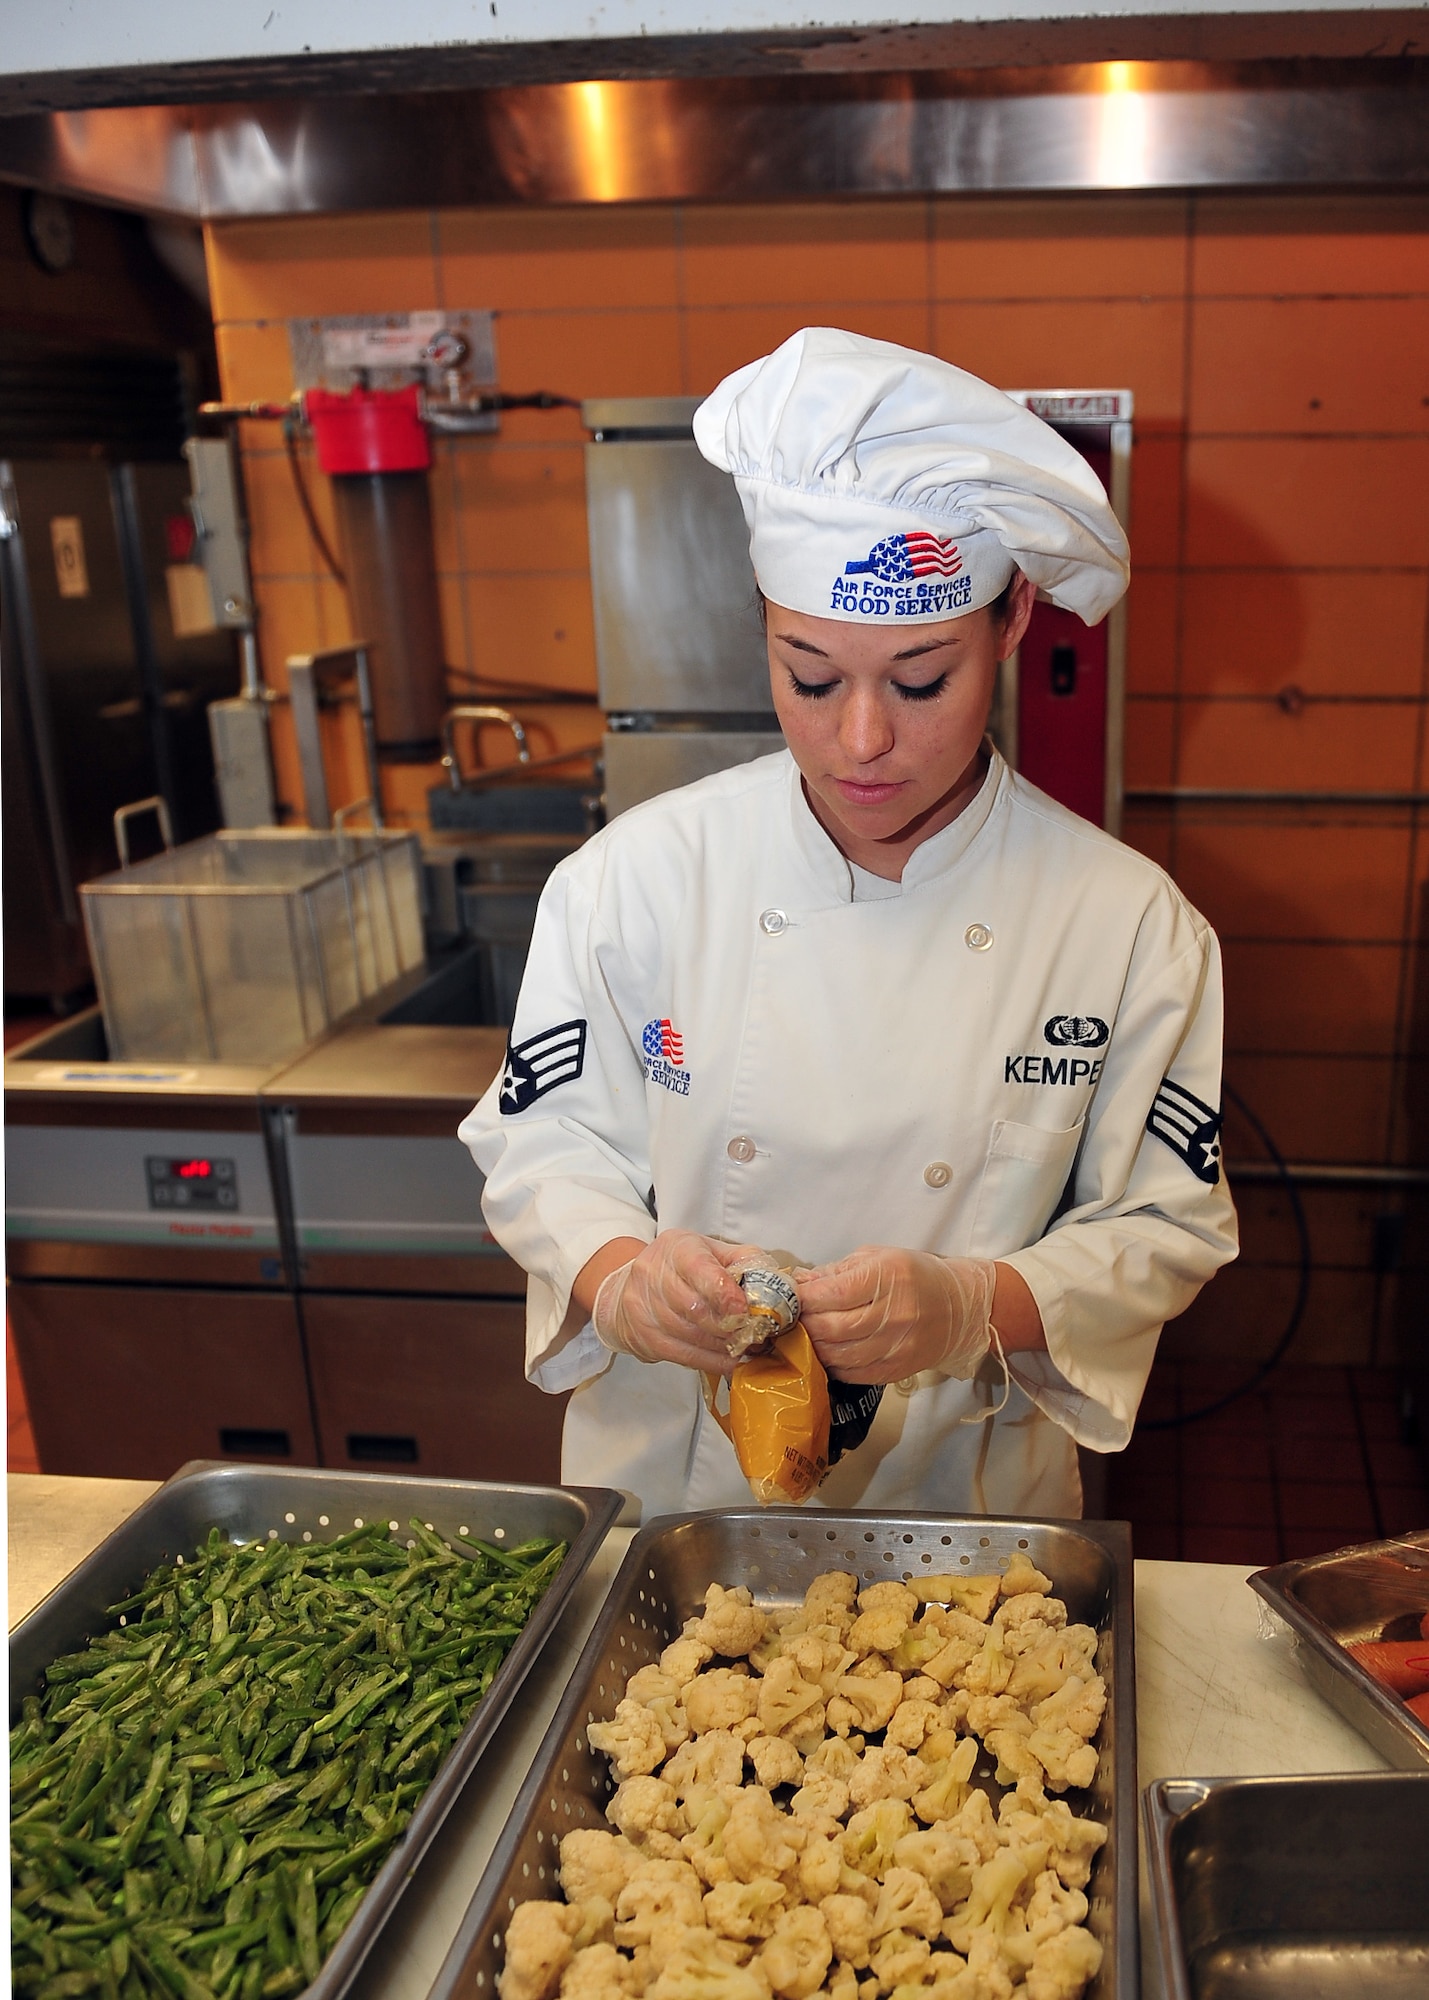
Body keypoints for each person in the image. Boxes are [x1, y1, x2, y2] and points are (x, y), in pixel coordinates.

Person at [460, 327, 1238, 1518]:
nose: (860, 740)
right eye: (809, 677)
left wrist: (980, 1303)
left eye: (921, 680)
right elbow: (541, 1141)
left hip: (968, 1508)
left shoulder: (1127, 925)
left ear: (1012, 621)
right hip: (675, 1489)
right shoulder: (633, 879)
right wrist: (623, 1279)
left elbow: (1166, 1217)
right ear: (764, 627)